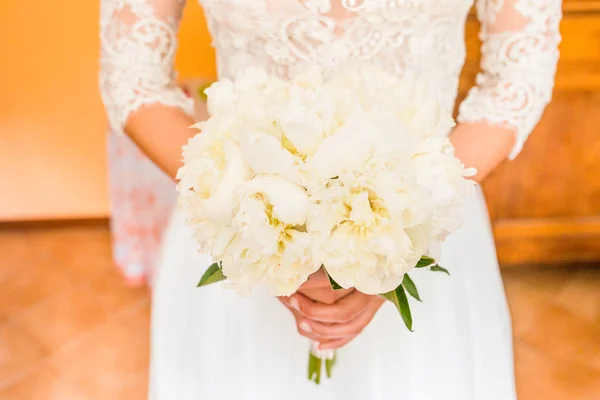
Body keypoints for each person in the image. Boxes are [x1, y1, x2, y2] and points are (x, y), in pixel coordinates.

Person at [99, 0, 562, 398]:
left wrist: (399, 231)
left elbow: (517, 75)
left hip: (427, 227)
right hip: (241, 240)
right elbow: (133, 79)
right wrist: (259, 226)